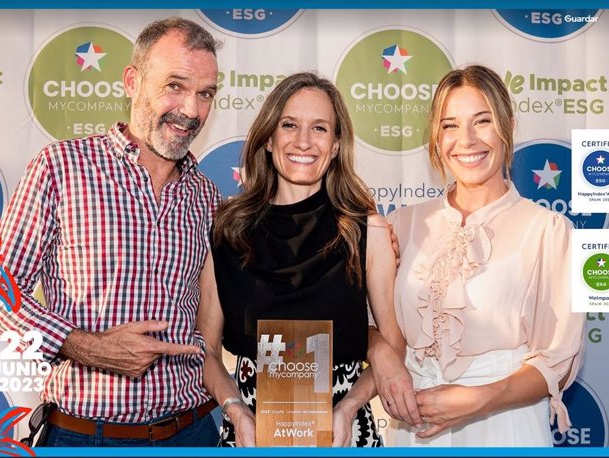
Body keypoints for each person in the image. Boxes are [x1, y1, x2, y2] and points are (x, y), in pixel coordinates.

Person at [0, 17, 222, 447]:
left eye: (205, 93)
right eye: (175, 85)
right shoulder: (61, 168)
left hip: (192, 432)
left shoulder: (207, 196)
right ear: (132, 81)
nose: (191, 110)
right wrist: (84, 346)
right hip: (83, 437)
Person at [195, 72, 419, 447]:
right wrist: (235, 409)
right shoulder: (227, 230)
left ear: (335, 145)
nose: (303, 141)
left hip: (344, 435)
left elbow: (394, 346)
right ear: (269, 138)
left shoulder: (367, 231)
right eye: (289, 125)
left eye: (319, 128)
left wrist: (348, 408)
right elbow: (208, 350)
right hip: (249, 434)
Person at [380, 64, 585, 446]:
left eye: (482, 121)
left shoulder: (550, 230)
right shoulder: (403, 224)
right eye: (450, 125)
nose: (467, 140)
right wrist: (382, 356)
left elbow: (559, 358)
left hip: (504, 425)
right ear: (436, 138)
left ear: (506, 126)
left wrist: (480, 400)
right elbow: (372, 323)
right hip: (412, 426)